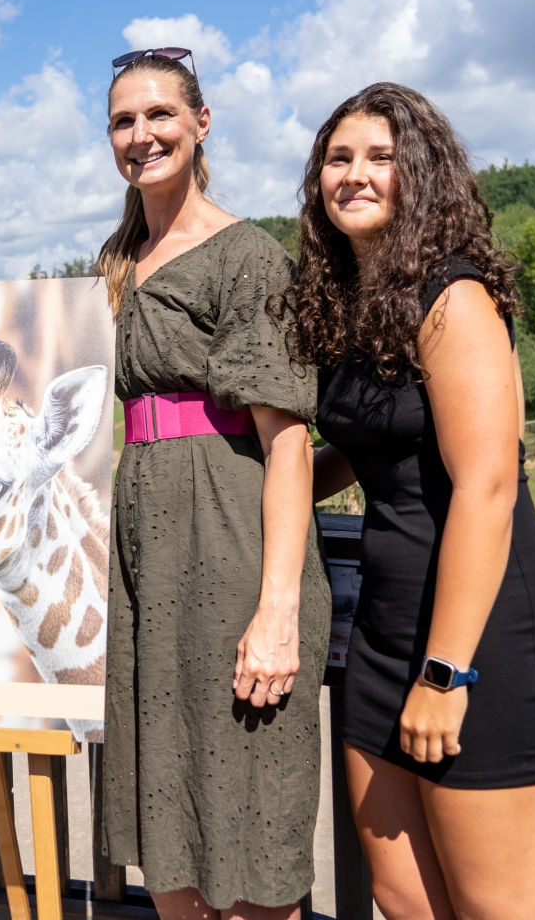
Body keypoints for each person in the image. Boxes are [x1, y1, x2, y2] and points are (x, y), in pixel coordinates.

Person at [289, 83, 535, 920]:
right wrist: (264, 496)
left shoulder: (453, 298)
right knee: (404, 898)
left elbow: (487, 488)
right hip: (386, 635)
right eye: (338, 159)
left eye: (381, 158)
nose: (355, 175)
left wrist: (446, 673)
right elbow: (366, 440)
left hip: (484, 642)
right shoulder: (360, 305)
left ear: (421, 176)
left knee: (494, 911)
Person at [98, 48, 331, 920]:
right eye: (123, 120)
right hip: (148, 560)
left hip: (231, 547)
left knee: (247, 822)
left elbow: (289, 445)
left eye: (160, 114)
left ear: (202, 123)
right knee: (174, 824)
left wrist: (277, 611)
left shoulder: (249, 258)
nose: (142, 134)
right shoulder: (118, 261)